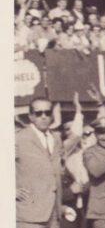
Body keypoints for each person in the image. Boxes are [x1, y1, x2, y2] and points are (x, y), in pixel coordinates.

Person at [16, 97, 64, 228]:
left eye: (47, 113)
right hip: (28, 215)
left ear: (52, 116)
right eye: (38, 113)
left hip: (54, 214)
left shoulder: (56, 139)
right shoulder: (19, 138)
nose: (43, 117)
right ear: (30, 116)